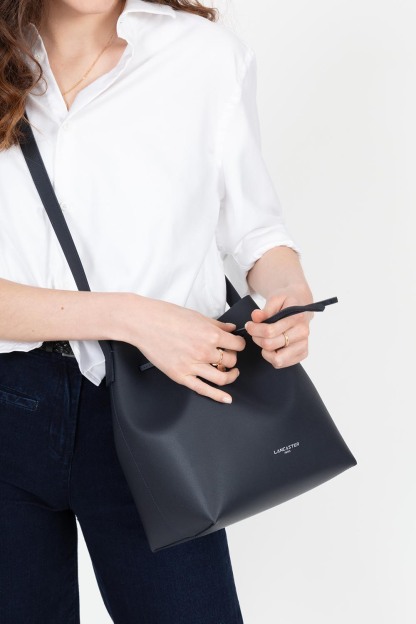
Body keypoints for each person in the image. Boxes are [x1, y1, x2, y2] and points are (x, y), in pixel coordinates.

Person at [0, 0, 314, 622]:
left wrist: (290, 297)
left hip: (158, 404)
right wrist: (130, 317)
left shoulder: (204, 58)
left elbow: (257, 235)